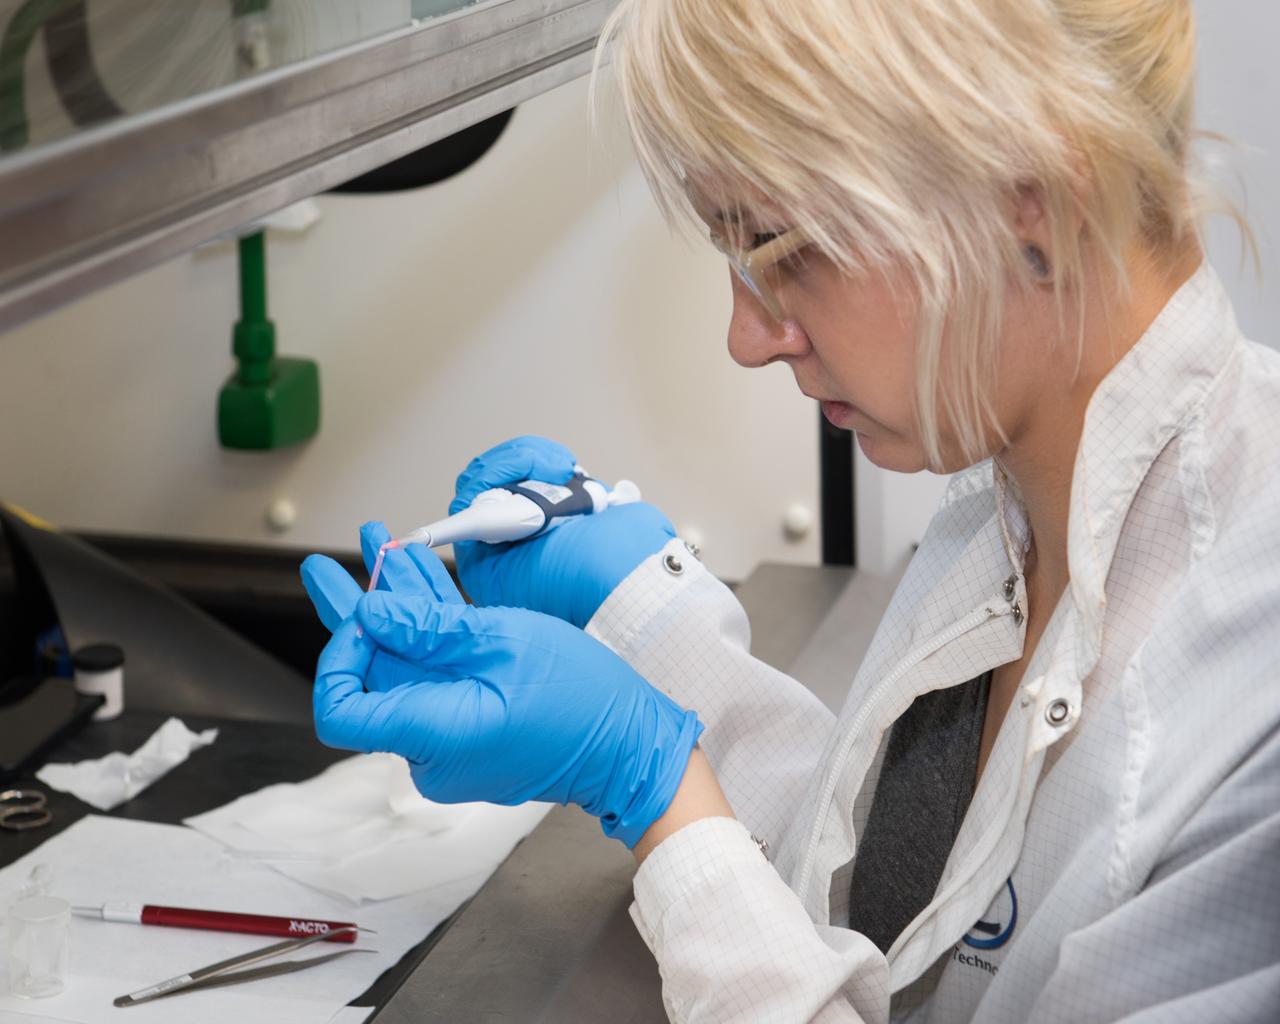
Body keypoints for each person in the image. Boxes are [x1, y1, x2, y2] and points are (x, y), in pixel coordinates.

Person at [300, 0, 1280, 1019]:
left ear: (1024, 199)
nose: (746, 336)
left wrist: (657, 787)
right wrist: (642, 615)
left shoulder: (1252, 675)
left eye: (775, 247)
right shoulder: (999, 519)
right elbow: (881, 908)